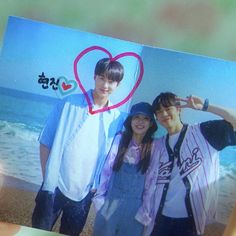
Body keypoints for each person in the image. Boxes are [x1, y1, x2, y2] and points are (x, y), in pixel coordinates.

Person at [32, 58, 125, 236]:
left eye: (111, 81)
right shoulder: (69, 102)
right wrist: (47, 178)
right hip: (54, 185)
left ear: (117, 84)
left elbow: (114, 156)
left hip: (85, 192)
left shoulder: (116, 117)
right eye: (101, 78)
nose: (105, 85)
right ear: (94, 77)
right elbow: (45, 141)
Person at [136, 92, 236, 236]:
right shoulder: (157, 145)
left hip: (191, 222)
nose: (164, 114)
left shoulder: (204, 133)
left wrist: (205, 106)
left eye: (167, 108)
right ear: (156, 118)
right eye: (159, 111)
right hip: (159, 218)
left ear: (178, 109)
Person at [92, 102, 158, 236]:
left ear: (151, 123)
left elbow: (151, 184)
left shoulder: (153, 147)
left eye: (145, 118)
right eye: (136, 117)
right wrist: (100, 199)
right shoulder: (120, 139)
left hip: (135, 210)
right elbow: (106, 171)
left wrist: (145, 211)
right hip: (110, 202)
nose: (140, 122)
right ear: (130, 120)